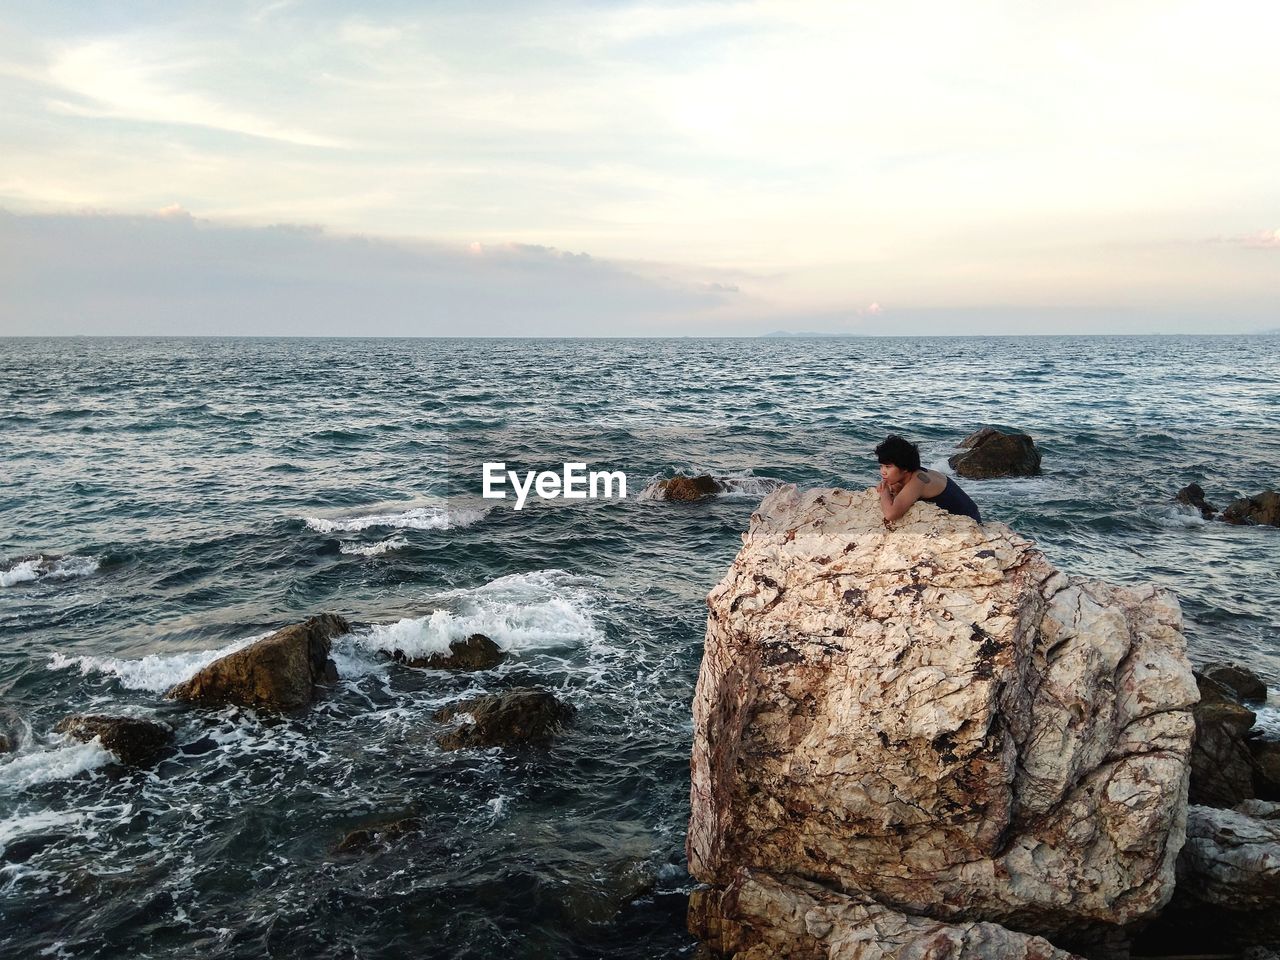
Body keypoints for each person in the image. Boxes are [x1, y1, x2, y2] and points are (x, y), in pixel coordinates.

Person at [875, 434, 981, 524]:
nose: (883, 471)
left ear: (904, 468)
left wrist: (884, 492)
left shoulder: (919, 480)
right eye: (881, 466)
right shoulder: (914, 473)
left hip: (969, 522)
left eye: (888, 467)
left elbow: (891, 514)